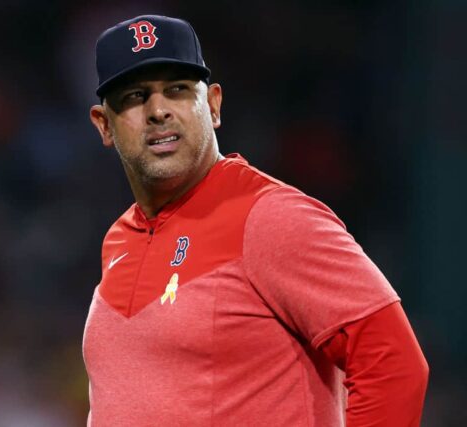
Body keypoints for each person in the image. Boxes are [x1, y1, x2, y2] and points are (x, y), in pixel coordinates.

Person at [82, 14, 429, 426]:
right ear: (105, 125)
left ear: (212, 105)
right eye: (135, 97)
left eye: (176, 90)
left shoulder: (270, 216)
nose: (158, 111)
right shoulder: (120, 239)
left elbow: (393, 364)